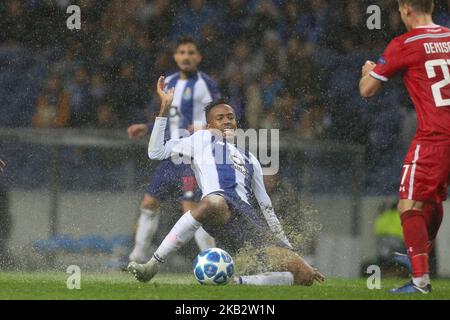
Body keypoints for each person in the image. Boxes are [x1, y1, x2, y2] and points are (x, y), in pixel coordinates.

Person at [127, 77, 325, 286]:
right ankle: (153, 264)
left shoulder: (251, 159)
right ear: (209, 125)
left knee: (304, 276)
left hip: (248, 224)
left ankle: (236, 282)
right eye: (220, 118)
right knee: (214, 201)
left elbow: (267, 208)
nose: (227, 121)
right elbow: (156, 152)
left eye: (230, 117)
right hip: (221, 210)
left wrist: (287, 248)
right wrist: (164, 109)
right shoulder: (200, 140)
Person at [359, 0, 450, 293]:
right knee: (432, 199)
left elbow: (367, 91)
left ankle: (420, 280)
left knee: (409, 204)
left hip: (435, 136)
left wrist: (368, 70)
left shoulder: (405, 43)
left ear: (407, 8)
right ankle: (419, 255)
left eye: (399, 8)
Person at [126, 36, 221, 264]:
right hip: (171, 155)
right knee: (149, 203)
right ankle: (137, 256)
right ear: (175, 56)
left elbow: (222, 114)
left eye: (191, 52)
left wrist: (205, 127)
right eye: (182, 52)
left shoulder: (206, 84)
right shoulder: (168, 82)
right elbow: (172, 120)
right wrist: (147, 127)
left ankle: (210, 258)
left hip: (192, 157)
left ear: (199, 57)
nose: (186, 57)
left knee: (192, 209)